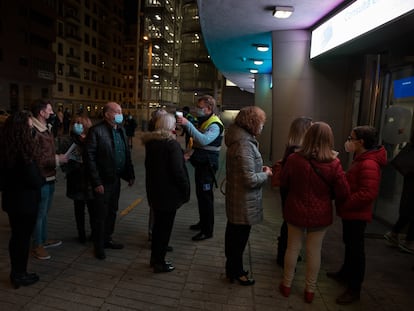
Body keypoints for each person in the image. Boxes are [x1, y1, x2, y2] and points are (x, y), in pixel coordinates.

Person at [279, 122, 349, 303]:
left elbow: (284, 182)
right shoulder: (334, 163)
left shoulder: (294, 159)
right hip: (321, 213)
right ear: (329, 139)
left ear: (307, 136)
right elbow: (343, 191)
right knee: (314, 251)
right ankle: (309, 290)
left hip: (295, 209)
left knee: (292, 248)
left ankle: (286, 285)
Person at [330, 125, 387, 305]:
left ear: (361, 142)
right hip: (351, 213)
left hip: (357, 214)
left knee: (356, 252)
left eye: (351, 137)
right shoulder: (361, 158)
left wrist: (346, 202)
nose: (348, 141)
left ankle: (354, 289)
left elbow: (368, 193)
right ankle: (345, 274)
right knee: (349, 245)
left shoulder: (369, 163)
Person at [224, 106, 272, 286]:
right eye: (261, 123)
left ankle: (231, 270)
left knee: (233, 236)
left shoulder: (239, 139)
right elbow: (250, 179)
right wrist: (266, 174)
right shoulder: (244, 144)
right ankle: (237, 272)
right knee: (238, 240)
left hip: (237, 197)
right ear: (252, 122)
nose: (262, 126)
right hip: (243, 201)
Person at [84, 102, 135, 260]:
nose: (121, 114)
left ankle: (107, 239)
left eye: (121, 111)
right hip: (102, 181)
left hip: (116, 179)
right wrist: (96, 182)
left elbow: (126, 154)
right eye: (117, 111)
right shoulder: (96, 131)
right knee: (100, 214)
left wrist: (130, 174)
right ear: (107, 114)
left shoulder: (121, 130)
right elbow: (89, 158)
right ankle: (99, 246)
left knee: (112, 211)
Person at [0, 111, 44, 289]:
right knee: (22, 239)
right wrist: (41, 178)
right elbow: (34, 179)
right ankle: (20, 274)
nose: (32, 129)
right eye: (30, 126)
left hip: (11, 201)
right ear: (22, 130)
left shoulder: (5, 147)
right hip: (26, 203)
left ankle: (16, 272)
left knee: (16, 237)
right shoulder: (23, 151)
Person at [142, 113, 190, 273]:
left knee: (157, 228)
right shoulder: (171, 145)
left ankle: (154, 258)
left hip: (155, 192)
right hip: (169, 194)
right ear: (170, 127)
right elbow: (178, 172)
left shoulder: (152, 143)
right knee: (165, 229)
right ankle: (159, 262)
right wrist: (185, 189)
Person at [177, 95, 224, 241]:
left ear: (209, 108)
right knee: (201, 196)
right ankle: (202, 222)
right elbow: (196, 142)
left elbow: (203, 140)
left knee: (206, 198)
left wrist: (188, 124)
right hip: (202, 164)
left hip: (208, 166)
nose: (198, 110)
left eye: (200, 107)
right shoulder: (204, 121)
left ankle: (207, 230)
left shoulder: (215, 124)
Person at [31, 99, 68, 260]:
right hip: (41, 178)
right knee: (39, 213)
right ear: (41, 112)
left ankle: (43, 240)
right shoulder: (34, 131)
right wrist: (58, 159)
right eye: (49, 110)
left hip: (50, 176)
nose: (52, 113)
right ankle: (37, 244)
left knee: (44, 212)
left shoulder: (46, 129)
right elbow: (38, 158)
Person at [276, 116, 312, 267]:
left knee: (288, 222)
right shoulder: (296, 151)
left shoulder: (292, 148)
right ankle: (284, 255)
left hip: (288, 190)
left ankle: (286, 253)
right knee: (290, 223)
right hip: (292, 190)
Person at [64, 115, 94, 244]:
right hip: (76, 180)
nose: (77, 125)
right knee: (79, 209)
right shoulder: (69, 140)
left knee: (93, 210)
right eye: (75, 123)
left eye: (80, 123)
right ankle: (81, 234)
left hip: (90, 181)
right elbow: (64, 161)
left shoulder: (92, 138)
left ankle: (94, 233)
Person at [384, 130, 414, 254]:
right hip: (412, 180)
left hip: (410, 179)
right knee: (410, 209)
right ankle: (408, 241)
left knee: (408, 209)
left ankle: (396, 234)